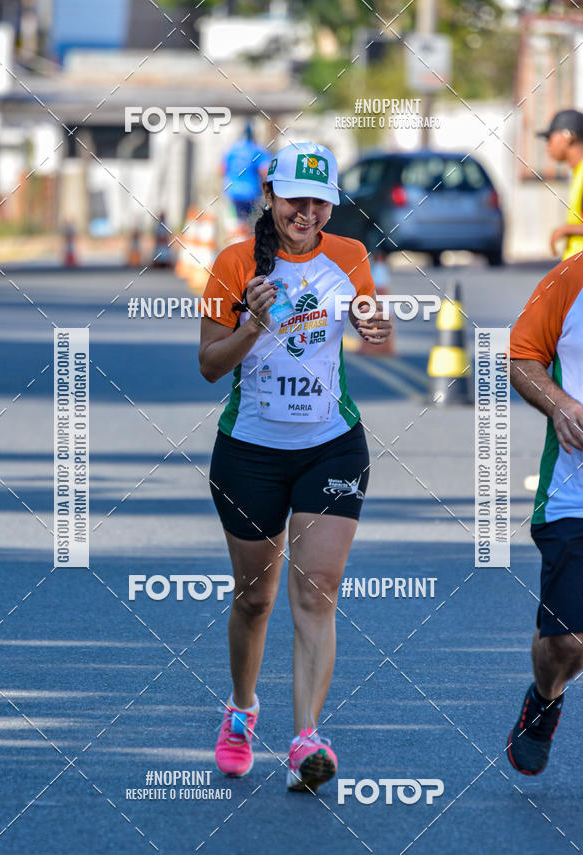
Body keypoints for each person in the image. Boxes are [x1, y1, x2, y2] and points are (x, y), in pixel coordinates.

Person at [199, 141, 392, 792]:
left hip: (331, 444)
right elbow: (208, 365)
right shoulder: (233, 262)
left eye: (319, 201)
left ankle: (306, 736)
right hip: (249, 450)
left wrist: (374, 325)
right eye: (295, 199)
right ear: (272, 199)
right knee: (255, 599)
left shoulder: (350, 257)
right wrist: (252, 325)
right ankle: (241, 710)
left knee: (316, 592)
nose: (306, 212)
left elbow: (376, 335)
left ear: (331, 205)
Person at [508, 252, 583, 775]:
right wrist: (560, 405)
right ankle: (545, 697)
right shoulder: (570, 277)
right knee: (564, 640)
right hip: (573, 494)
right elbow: (520, 356)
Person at [538, 108, 583, 260]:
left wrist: (565, 230)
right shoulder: (578, 173)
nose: (547, 146)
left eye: (550, 138)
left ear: (567, 136)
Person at [222, 122, 271, 223]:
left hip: (233, 192)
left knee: (236, 224)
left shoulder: (232, 149)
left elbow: (221, 169)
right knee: (250, 225)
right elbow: (266, 171)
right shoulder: (257, 150)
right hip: (251, 193)